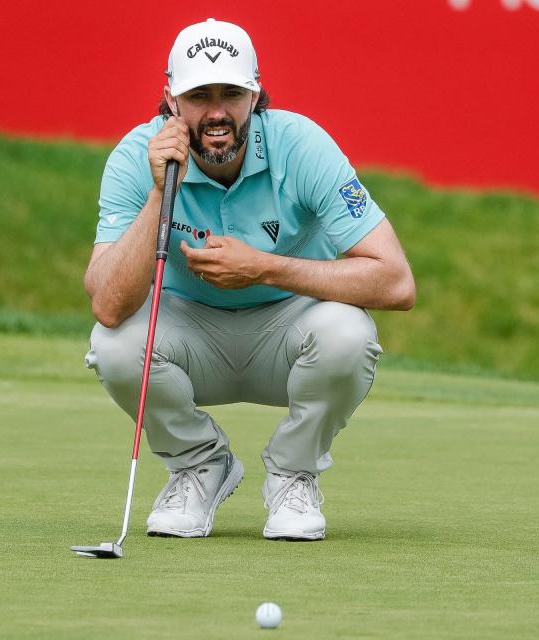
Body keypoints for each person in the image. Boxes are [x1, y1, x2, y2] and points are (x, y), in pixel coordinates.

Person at [83, 18, 415, 541]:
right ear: (170, 100)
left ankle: (292, 474)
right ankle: (198, 465)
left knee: (348, 334)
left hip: (289, 333)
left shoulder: (302, 145)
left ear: (255, 94)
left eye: (231, 93)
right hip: (190, 337)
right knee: (114, 342)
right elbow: (107, 303)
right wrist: (157, 195)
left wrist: (265, 267)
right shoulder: (135, 157)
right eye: (199, 95)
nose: (216, 111)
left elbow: (396, 282)